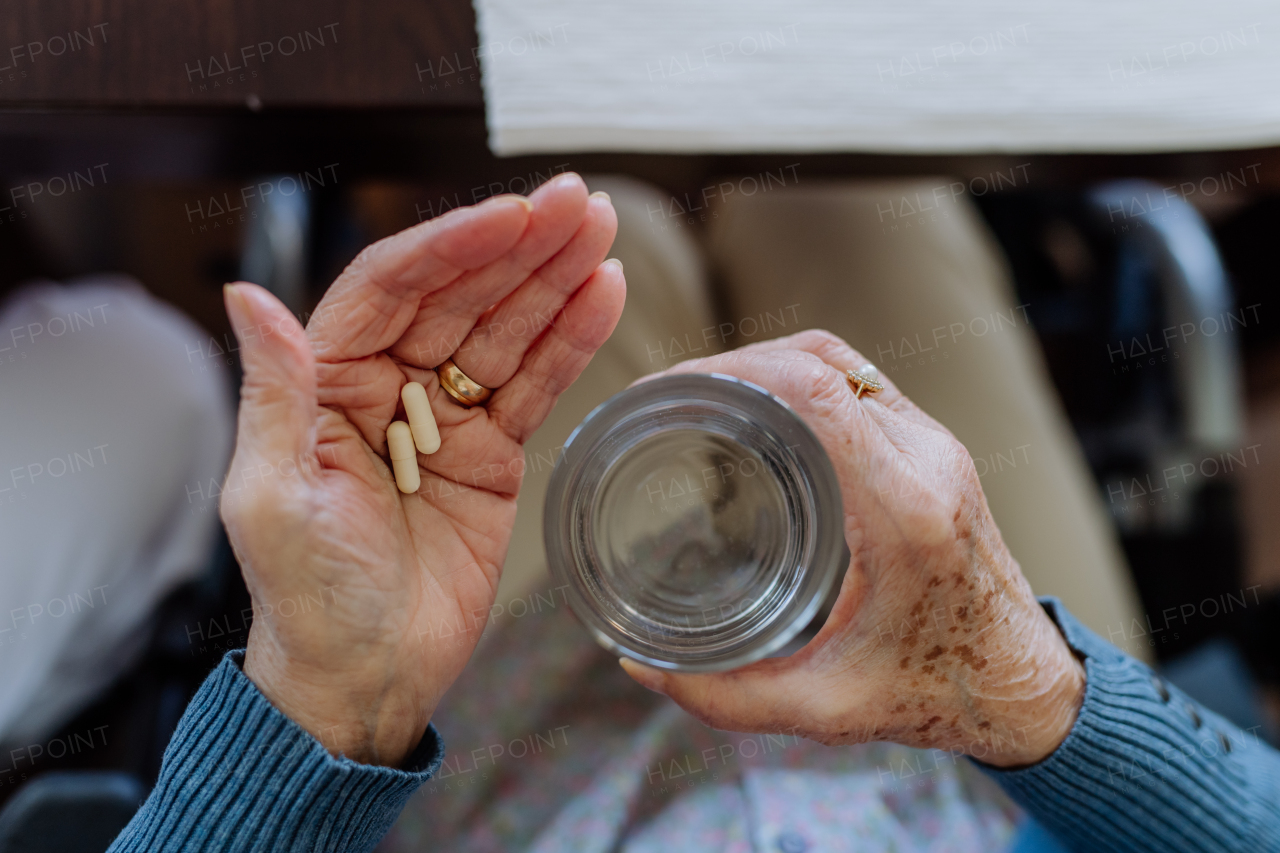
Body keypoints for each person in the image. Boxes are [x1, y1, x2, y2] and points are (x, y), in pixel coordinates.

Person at [107, 174, 1280, 852]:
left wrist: (327, 705)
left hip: (517, 757)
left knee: (598, 226)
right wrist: (1028, 691)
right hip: (1000, 777)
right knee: (836, 196)